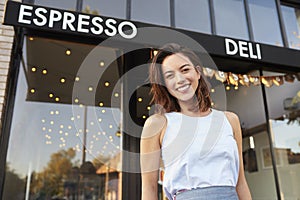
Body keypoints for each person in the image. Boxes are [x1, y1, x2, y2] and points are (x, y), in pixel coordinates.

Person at [140, 43, 252, 200]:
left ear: (198, 72)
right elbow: (149, 189)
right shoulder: (158, 124)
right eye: (170, 75)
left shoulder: (229, 120)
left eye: (185, 70)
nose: (179, 79)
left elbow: (240, 182)